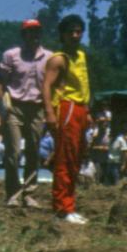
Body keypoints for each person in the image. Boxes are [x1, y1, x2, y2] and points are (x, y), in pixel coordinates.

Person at [0, 19, 51, 205]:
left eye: (36, 32)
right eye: (29, 32)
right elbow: (1, 83)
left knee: (34, 150)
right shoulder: (12, 55)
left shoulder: (49, 57)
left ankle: (29, 192)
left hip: (37, 108)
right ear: (23, 35)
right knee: (14, 151)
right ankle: (13, 193)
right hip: (15, 107)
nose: (33, 36)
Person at [42, 15, 92, 225]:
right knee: (66, 157)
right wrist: (50, 113)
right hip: (67, 106)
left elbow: (83, 85)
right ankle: (63, 208)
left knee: (77, 157)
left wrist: (87, 111)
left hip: (81, 108)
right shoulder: (58, 59)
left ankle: (69, 204)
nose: (75, 35)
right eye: (71, 31)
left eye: (79, 31)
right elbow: (46, 86)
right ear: (62, 35)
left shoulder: (80, 55)